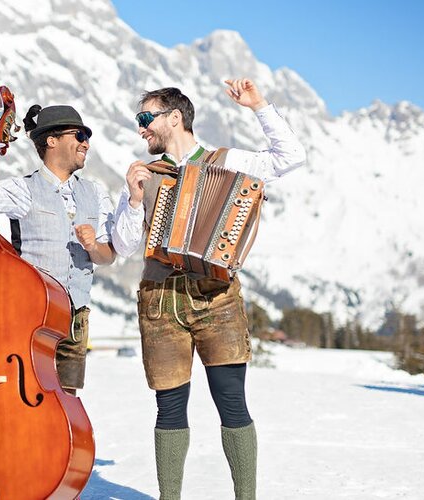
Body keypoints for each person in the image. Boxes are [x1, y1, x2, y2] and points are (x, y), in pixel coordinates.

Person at [111, 78, 306, 499]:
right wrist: (131, 199)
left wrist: (259, 106)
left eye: (146, 118)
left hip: (216, 298)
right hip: (160, 301)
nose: (140, 128)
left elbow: (291, 158)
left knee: (231, 400)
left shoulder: (227, 160)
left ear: (175, 118)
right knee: (169, 407)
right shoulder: (145, 174)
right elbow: (125, 247)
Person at [0, 104, 116, 395]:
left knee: (66, 400)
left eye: (86, 137)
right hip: (31, 314)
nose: (86, 143)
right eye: (79, 135)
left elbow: (107, 257)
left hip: (75, 317)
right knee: (27, 390)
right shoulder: (23, 189)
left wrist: (93, 247)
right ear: (52, 140)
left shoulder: (96, 193)